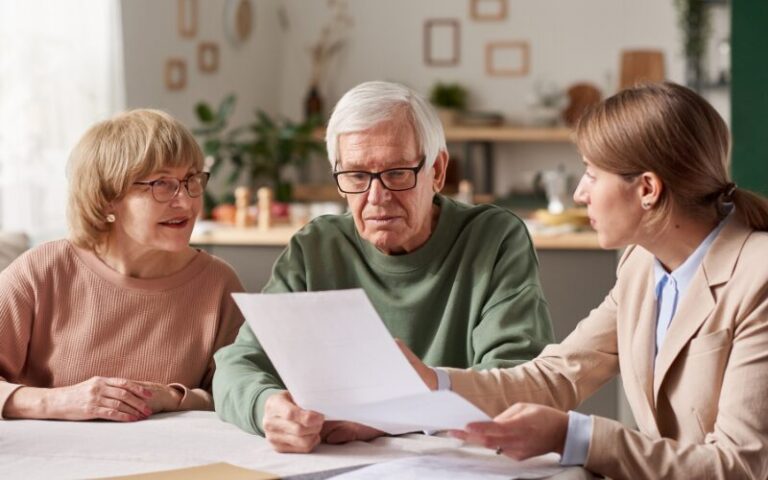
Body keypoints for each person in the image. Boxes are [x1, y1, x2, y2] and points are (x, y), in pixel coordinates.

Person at [401, 82, 768, 479]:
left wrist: (575, 436)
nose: (579, 193)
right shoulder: (641, 265)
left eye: (592, 175)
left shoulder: (758, 277)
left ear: (647, 188)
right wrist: (433, 382)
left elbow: (739, 467)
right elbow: (558, 375)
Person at [213, 81, 554, 453]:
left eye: (396, 173)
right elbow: (236, 365)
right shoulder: (316, 248)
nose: (377, 198)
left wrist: (388, 419)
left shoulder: (494, 238)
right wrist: (266, 407)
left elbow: (516, 382)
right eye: (357, 176)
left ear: (437, 171)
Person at [0, 109, 244, 422]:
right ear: (106, 198)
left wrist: (171, 397)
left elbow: (240, 393)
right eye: (162, 184)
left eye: (190, 180)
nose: (186, 202)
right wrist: (59, 401)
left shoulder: (218, 282)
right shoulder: (42, 271)